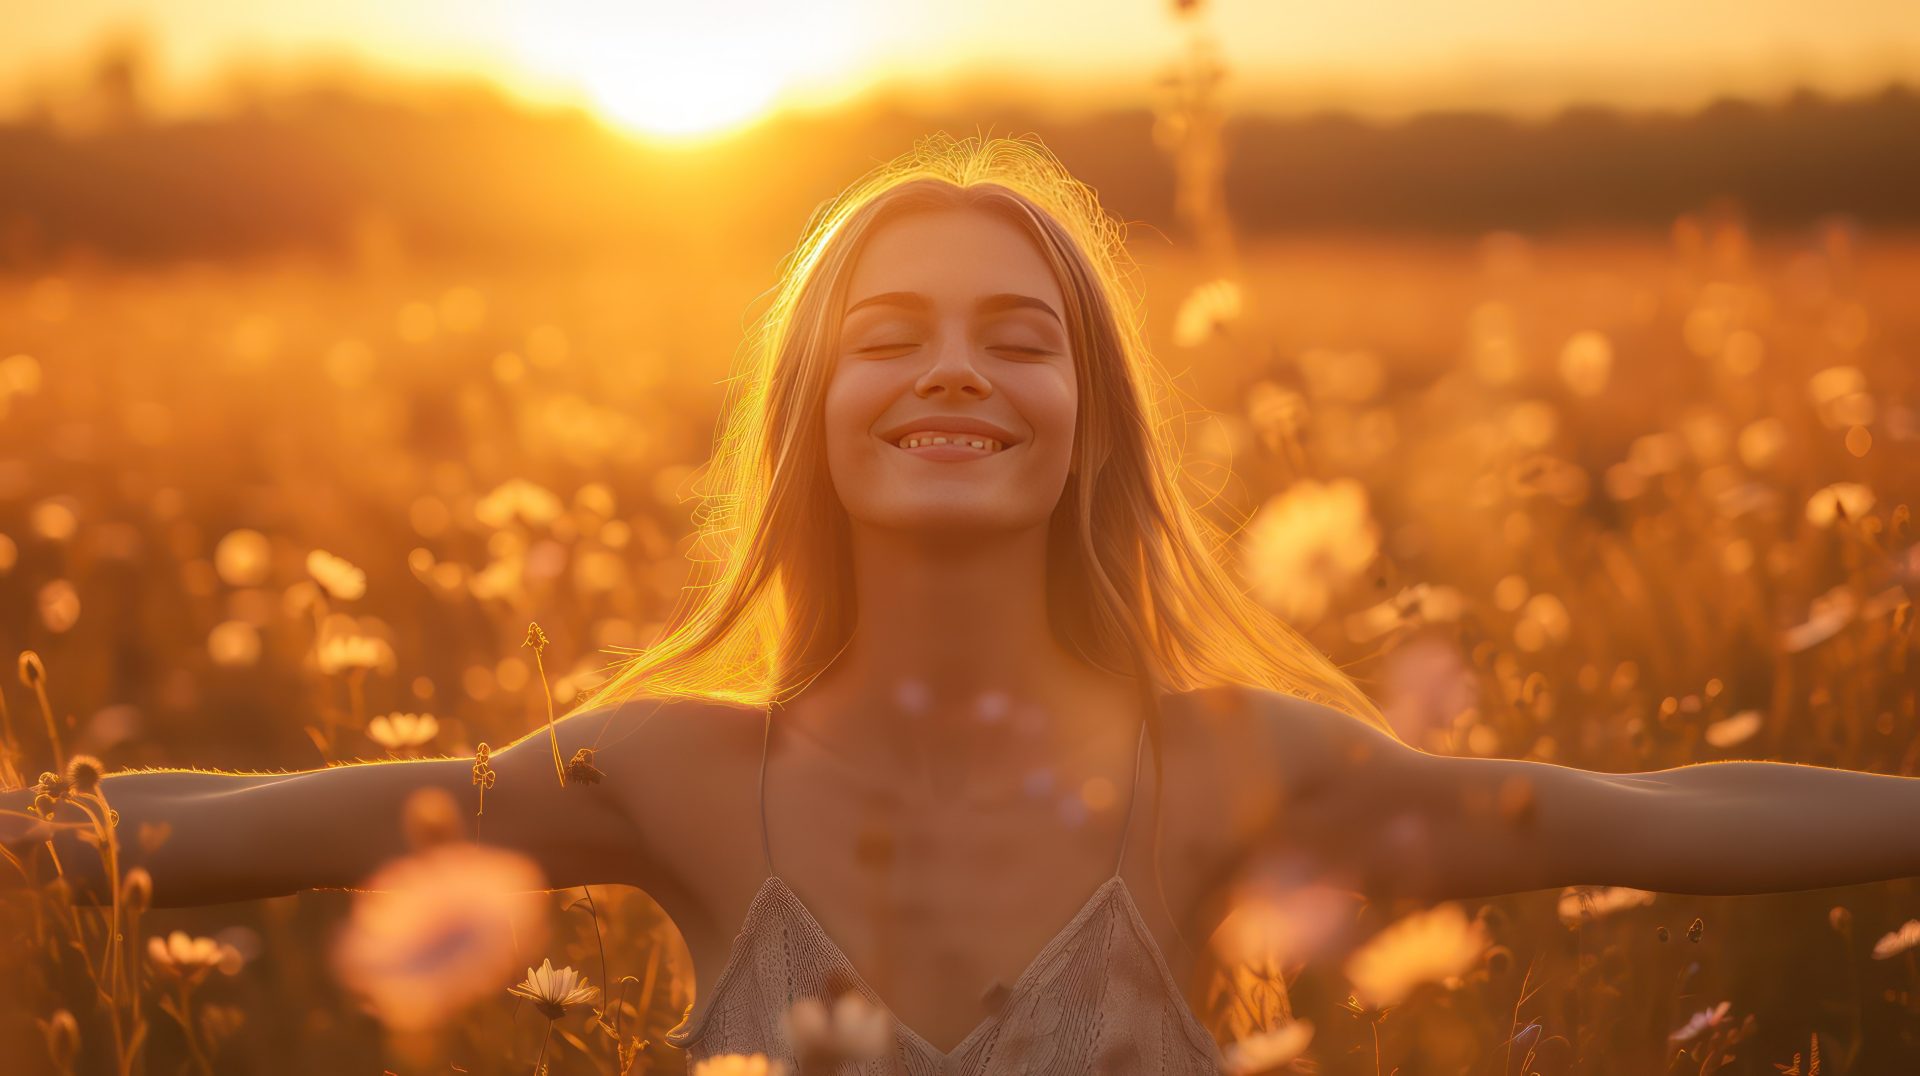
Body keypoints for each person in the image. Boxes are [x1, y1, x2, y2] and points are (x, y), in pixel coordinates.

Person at [6, 134, 1920, 1075]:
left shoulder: (1235, 771)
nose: (952, 373)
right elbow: (238, 831)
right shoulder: (666, 775)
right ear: (809, 421)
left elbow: (1640, 819)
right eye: (888, 337)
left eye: (1021, 338)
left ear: (1089, 427)